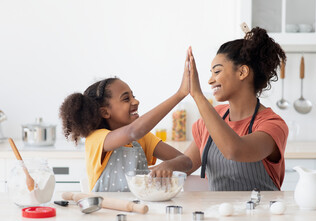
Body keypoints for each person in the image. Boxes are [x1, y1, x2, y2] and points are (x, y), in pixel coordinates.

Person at [59, 52, 192, 192]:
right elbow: (133, 131)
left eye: (133, 96)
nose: (136, 101)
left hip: (140, 210)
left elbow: (187, 161)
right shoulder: (96, 139)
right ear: (105, 112)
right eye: (126, 99)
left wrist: (168, 165)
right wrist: (179, 95)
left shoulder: (142, 138)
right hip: (105, 212)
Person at [185, 27, 288, 191]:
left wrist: (198, 95)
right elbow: (185, 164)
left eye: (217, 71)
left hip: (262, 214)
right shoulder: (215, 115)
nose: (210, 80)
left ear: (242, 72)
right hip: (221, 214)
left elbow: (234, 150)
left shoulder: (272, 125)